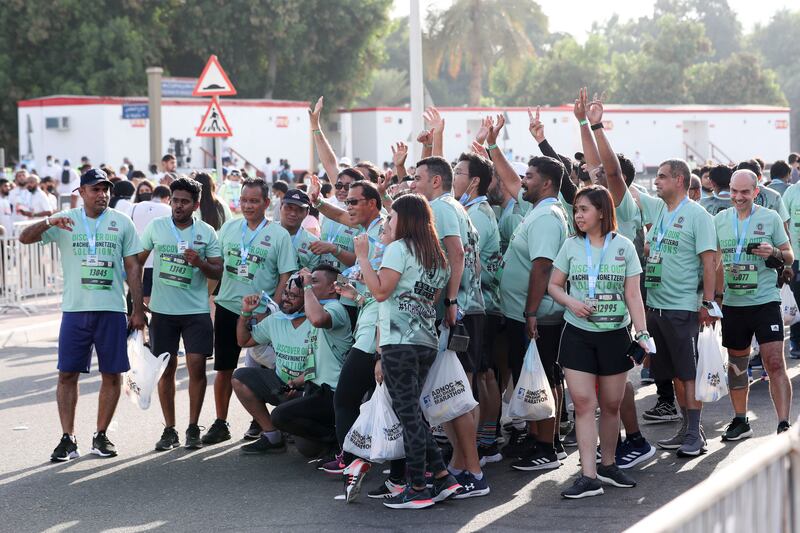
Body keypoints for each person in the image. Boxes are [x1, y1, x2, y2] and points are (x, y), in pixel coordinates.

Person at [18, 168, 146, 461]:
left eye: (106, 189)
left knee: (112, 374)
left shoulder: (121, 222)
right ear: (81, 193)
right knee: (67, 374)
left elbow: (132, 268)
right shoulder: (66, 220)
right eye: (96, 189)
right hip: (76, 310)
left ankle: (101, 436)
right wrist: (49, 221)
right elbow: (25, 238)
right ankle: (67, 438)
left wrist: (137, 309)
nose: (102, 194)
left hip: (112, 309)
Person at [356, 193, 463, 509]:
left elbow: (379, 292)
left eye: (391, 217)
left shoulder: (398, 249)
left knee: (409, 417)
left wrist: (363, 256)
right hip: (424, 341)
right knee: (413, 413)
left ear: (406, 219)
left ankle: (417, 486)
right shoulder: (436, 257)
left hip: (399, 343)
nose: (387, 222)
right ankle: (442, 477)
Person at [549, 185, 649, 498]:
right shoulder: (570, 245)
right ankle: (588, 475)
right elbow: (553, 285)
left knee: (610, 404)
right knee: (583, 403)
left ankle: (607, 465)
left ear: (602, 212)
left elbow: (633, 294)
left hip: (615, 335)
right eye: (576, 210)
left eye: (584, 209)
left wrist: (642, 333)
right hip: (577, 333)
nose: (578, 215)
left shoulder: (624, 246)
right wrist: (571, 302)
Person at [409, 155, 489, 497]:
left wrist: (451, 301)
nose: (413, 183)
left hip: (456, 314)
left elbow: (456, 254)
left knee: (455, 397)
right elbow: (475, 260)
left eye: (417, 178)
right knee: (452, 392)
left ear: (435, 182)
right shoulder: (454, 207)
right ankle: (460, 465)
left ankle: (473, 471)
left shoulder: (441, 208)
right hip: (465, 309)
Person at [307, 178, 387, 491]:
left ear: (373, 203)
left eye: (354, 201)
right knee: (382, 401)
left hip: (379, 327)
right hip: (369, 319)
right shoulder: (365, 231)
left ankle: (353, 459)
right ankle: (392, 469)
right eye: (347, 201)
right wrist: (357, 293)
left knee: (347, 396)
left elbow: (384, 285)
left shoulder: (385, 229)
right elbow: (341, 218)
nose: (348, 206)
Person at [206, 177, 297, 444]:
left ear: (266, 203)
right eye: (244, 200)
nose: (248, 205)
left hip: (263, 313)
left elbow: (285, 274)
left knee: (266, 368)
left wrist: (275, 311)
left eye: (254, 201)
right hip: (228, 307)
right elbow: (217, 266)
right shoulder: (230, 228)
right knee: (224, 368)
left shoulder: (278, 233)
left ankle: (263, 421)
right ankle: (221, 422)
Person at [636, 159, 717, 457]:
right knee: (671, 373)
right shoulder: (662, 211)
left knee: (688, 373)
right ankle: (687, 429)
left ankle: (696, 433)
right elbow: (654, 246)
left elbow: (710, 261)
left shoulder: (697, 215)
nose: (656, 181)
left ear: (680, 180)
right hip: (656, 305)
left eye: (662, 177)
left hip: (682, 306)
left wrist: (708, 302)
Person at [139, 177, 223, 451]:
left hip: (195, 310)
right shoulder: (157, 227)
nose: (178, 206)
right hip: (163, 311)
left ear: (196, 205)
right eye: (175, 200)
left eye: (185, 202)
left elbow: (218, 270)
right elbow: (136, 261)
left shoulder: (207, 232)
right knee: (166, 369)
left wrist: (199, 262)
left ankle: (192, 427)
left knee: (197, 367)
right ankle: (169, 429)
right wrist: (136, 300)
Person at [715, 170, 794, 439]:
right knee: (737, 365)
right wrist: (713, 298)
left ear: (755, 192)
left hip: (764, 301)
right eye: (734, 191)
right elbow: (712, 262)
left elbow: (790, 256)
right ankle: (740, 421)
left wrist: (773, 252)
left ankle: (783, 424)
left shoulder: (769, 218)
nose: (738, 197)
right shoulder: (719, 220)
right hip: (734, 303)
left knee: (774, 362)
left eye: (745, 192)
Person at [453, 151, 505, 464]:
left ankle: (484, 442)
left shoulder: (479, 215)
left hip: (482, 304)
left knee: (481, 375)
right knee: (479, 372)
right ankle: (481, 441)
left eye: (458, 172)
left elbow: (472, 265)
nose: (452, 177)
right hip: (476, 303)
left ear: (474, 181)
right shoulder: (467, 209)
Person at [269, 265, 353, 456]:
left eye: (315, 281)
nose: (309, 284)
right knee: (307, 449)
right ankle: (334, 438)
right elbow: (318, 358)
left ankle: (338, 442)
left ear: (333, 287)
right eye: (310, 280)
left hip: (333, 393)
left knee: (280, 415)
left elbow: (316, 319)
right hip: (315, 387)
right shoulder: (319, 308)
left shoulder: (336, 308)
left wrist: (306, 287)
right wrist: (298, 380)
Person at [233, 276, 310, 454]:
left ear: (308, 298)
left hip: (310, 390)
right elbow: (243, 341)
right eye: (285, 293)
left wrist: (299, 383)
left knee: (308, 450)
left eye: (293, 296)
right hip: (282, 385)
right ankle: (272, 436)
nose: (285, 299)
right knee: (240, 378)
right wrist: (245, 313)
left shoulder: (317, 321)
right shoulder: (276, 319)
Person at [129, 186, 172, 306]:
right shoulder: (168, 209)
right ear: (167, 198)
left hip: (137, 257)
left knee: (138, 293)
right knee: (158, 296)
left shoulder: (134, 207)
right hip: (159, 260)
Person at [781, 177, 800, 358]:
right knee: (797, 299)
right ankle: (796, 341)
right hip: (797, 257)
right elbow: (783, 221)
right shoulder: (792, 192)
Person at [279, 188, 321, 271]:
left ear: (307, 213)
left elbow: (310, 277)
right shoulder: (266, 231)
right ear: (280, 207)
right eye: (289, 208)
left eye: (299, 209)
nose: (293, 213)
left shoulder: (313, 244)